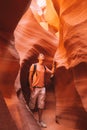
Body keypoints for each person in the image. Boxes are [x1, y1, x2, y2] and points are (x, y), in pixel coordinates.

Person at [29, 53, 55, 128]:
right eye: (41, 55)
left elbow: (52, 72)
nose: (43, 56)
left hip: (42, 88)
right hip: (35, 88)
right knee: (32, 104)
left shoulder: (44, 67)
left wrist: (54, 66)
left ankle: (40, 121)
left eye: (43, 55)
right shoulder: (33, 66)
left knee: (41, 105)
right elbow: (29, 77)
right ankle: (30, 120)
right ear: (38, 58)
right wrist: (31, 86)